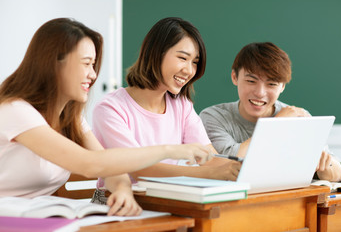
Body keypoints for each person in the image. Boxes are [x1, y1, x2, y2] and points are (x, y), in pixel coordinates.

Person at [0, 18, 212, 217]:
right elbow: (90, 164)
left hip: (34, 216)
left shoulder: (72, 119)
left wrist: (122, 189)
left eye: (94, 65)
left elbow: (109, 167)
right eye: (86, 63)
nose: (93, 75)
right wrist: (171, 149)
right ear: (55, 63)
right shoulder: (15, 110)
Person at [91, 17, 240, 203]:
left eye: (195, 62)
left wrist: (238, 170)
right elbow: (139, 170)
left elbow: (209, 156)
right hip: (113, 202)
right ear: (156, 53)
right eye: (183, 58)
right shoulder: (110, 109)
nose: (189, 70)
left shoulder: (181, 106)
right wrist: (209, 173)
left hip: (161, 200)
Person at [200, 42, 341, 182]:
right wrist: (276, 124)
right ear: (234, 77)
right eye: (251, 81)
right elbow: (228, 162)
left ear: (282, 87)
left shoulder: (299, 117)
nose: (260, 93)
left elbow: (338, 174)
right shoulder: (213, 117)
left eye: (271, 84)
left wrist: (325, 166)